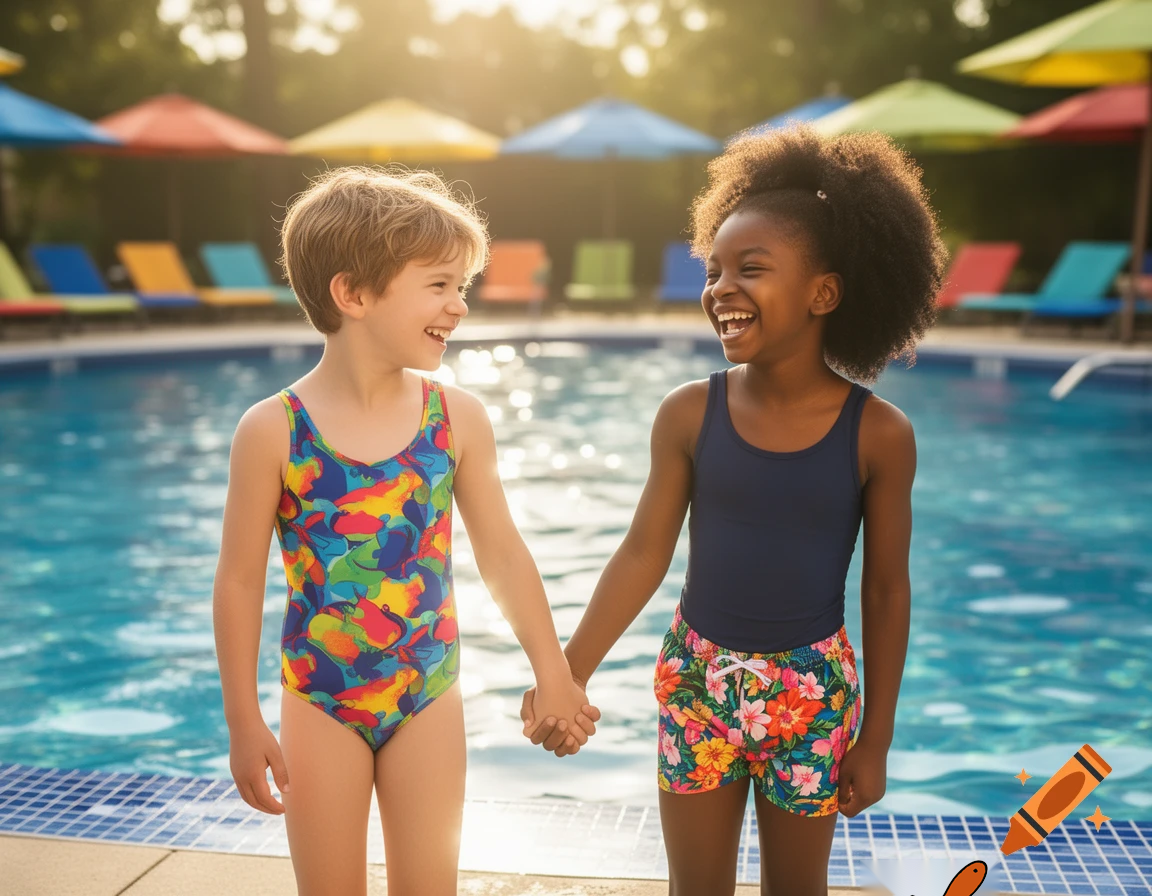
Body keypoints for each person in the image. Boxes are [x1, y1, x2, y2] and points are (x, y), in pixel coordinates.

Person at [521, 126, 946, 895]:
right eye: (714, 270)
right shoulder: (689, 414)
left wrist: (875, 736)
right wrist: (567, 672)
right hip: (697, 682)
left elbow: (887, 589)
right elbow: (642, 553)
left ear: (824, 293)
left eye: (752, 269)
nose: (721, 288)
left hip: (811, 695)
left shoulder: (879, 434)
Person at [213, 166, 598, 896]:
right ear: (353, 294)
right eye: (439, 285)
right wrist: (243, 722)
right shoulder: (273, 431)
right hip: (321, 703)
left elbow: (502, 552)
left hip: (427, 694)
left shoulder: (455, 418)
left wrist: (553, 670)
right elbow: (237, 579)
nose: (458, 306)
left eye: (463, 287)